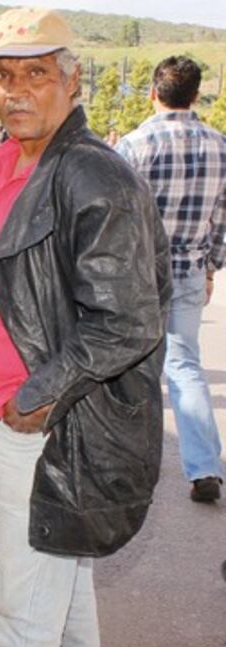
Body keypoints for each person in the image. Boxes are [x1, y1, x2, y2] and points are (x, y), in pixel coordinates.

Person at [0, 8, 171, 647]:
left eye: (35, 73)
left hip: (52, 427)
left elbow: (128, 320)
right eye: (3, 76)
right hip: (8, 413)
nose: (17, 91)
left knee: (22, 617)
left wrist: (35, 398)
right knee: (62, 607)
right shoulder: (4, 164)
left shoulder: (95, 176)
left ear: (71, 79)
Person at [116, 55, 226, 503]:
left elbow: (116, 217)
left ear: (152, 93)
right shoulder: (220, 146)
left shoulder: (133, 146)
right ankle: (204, 467)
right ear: (196, 95)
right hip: (189, 268)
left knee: (127, 368)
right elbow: (222, 217)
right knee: (184, 366)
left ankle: (124, 467)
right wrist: (211, 266)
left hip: (139, 272)